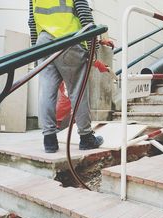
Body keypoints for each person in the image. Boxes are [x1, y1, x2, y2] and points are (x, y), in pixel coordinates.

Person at [28, 0, 103, 153]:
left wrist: (36, 50)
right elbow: (85, 15)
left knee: (46, 91)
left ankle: (49, 140)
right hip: (68, 38)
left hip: (43, 42)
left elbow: (32, 21)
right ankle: (86, 137)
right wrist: (93, 47)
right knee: (78, 89)